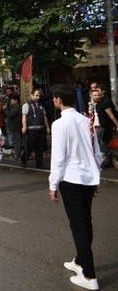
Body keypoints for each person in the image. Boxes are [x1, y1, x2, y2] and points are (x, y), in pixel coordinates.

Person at [48, 84, 101, 290]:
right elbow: (97, 152)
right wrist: (97, 178)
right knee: (85, 222)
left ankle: (89, 276)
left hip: (71, 180)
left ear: (59, 100)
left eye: (54, 98)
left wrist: (53, 184)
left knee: (78, 226)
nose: (53, 101)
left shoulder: (60, 124)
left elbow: (58, 158)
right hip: (88, 179)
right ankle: (80, 261)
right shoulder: (86, 120)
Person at [22, 89, 50, 168]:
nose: (38, 97)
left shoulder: (41, 106)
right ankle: (24, 159)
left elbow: (45, 117)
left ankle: (39, 164)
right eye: (36, 95)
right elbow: (24, 116)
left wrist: (47, 127)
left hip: (41, 129)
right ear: (32, 95)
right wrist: (24, 126)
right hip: (31, 129)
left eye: (39, 96)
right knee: (29, 146)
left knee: (40, 148)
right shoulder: (26, 105)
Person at [94, 85, 118, 169]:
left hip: (106, 127)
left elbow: (111, 115)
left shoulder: (106, 101)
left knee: (104, 144)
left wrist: (117, 124)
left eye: (98, 90)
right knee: (103, 144)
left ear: (103, 91)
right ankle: (107, 160)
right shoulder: (99, 102)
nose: (97, 92)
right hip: (102, 126)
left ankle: (108, 160)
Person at [4, 94, 23, 160]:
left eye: (12, 100)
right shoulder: (14, 106)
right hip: (14, 126)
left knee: (17, 142)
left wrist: (6, 109)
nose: (11, 101)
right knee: (16, 141)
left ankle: (18, 156)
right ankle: (17, 155)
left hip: (16, 127)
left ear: (16, 100)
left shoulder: (17, 107)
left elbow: (10, 114)